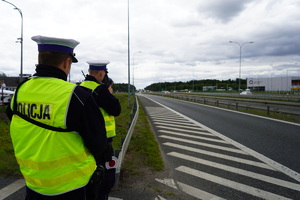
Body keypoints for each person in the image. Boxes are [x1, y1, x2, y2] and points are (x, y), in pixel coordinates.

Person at [6, 35, 108, 200]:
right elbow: (98, 143)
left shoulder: (20, 90)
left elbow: (16, 121)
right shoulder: (77, 96)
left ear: (40, 59)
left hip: (33, 182)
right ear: (67, 63)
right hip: (73, 186)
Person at [80, 61, 121, 200]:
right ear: (101, 73)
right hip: (103, 141)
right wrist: (110, 93)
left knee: (88, 175)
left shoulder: (79, 87)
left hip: (83, 139)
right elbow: (116, 110)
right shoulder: (100, 90)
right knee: (104, 180)